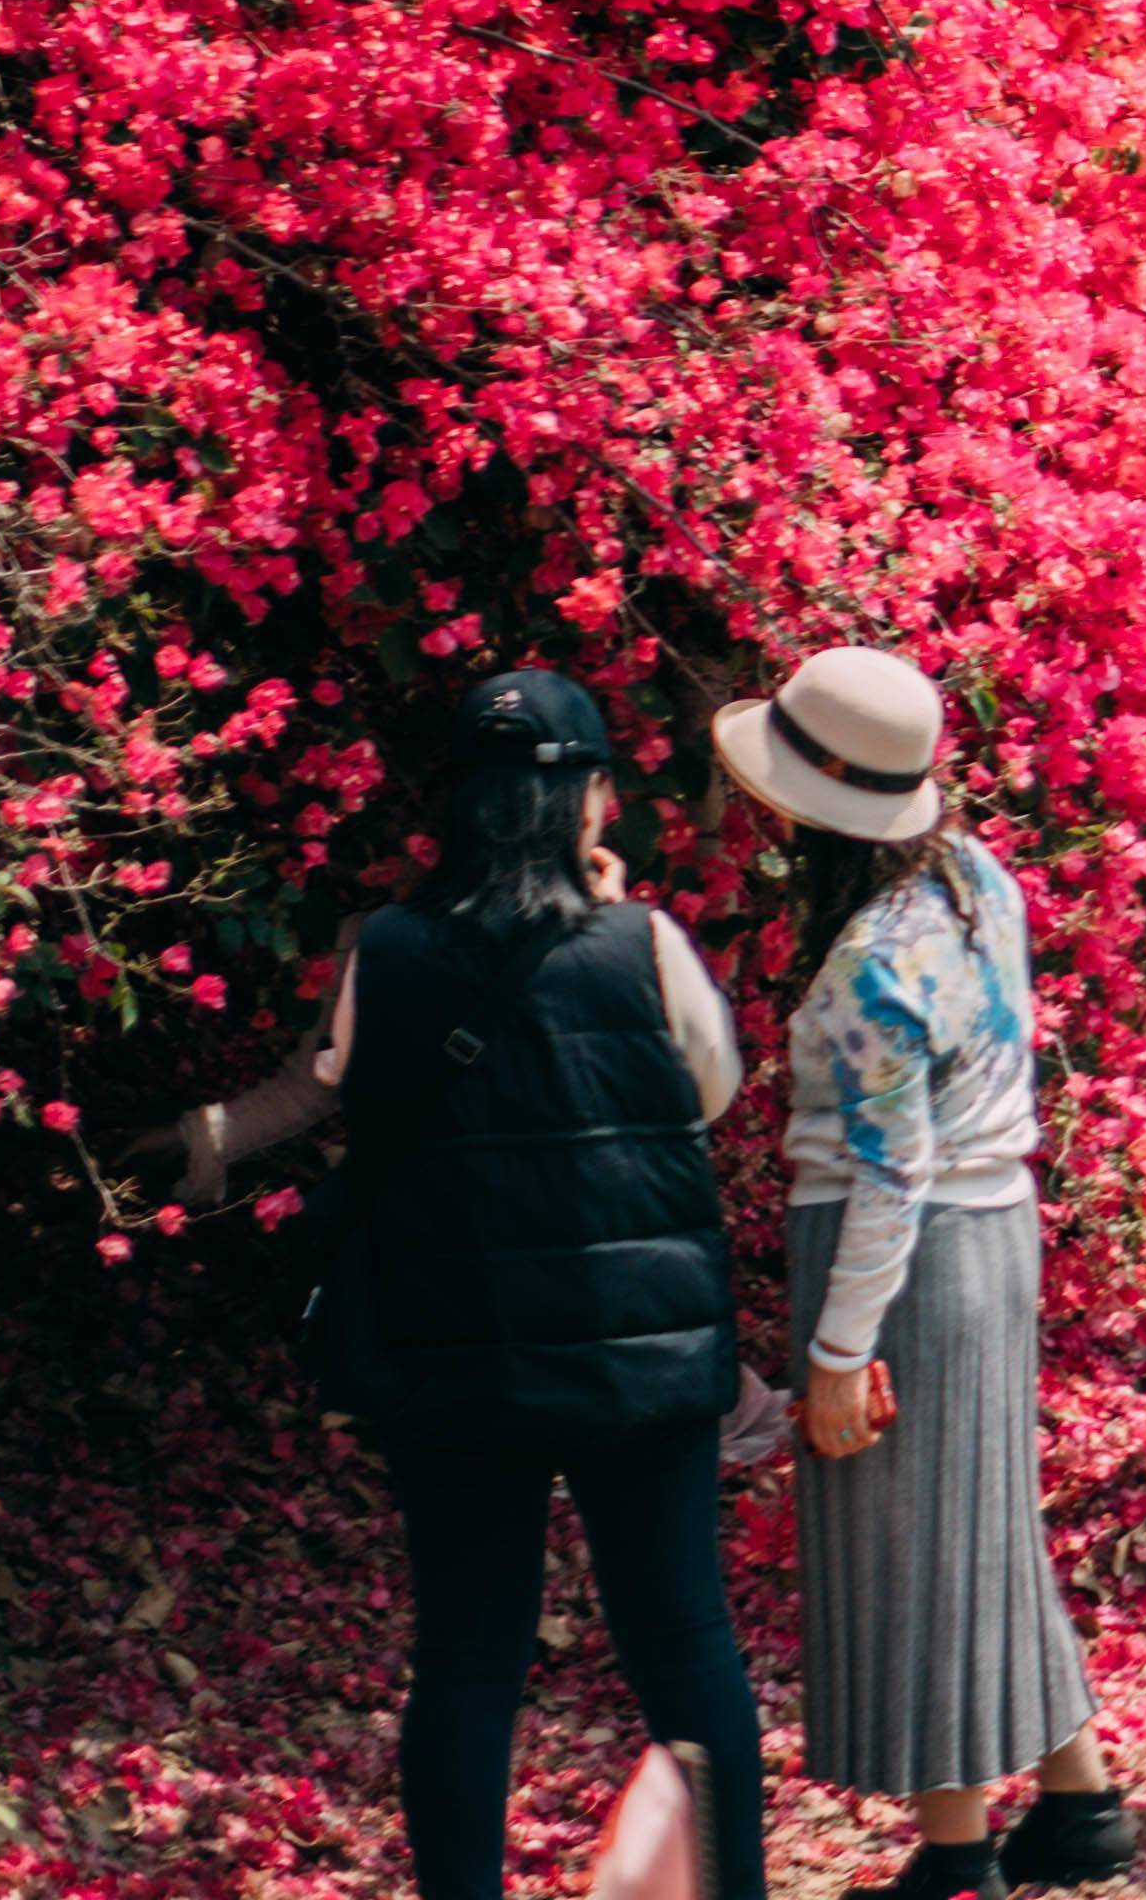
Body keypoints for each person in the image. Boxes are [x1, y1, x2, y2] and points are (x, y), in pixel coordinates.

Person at [321, 672, 766, 1900]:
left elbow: (356, 1096)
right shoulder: (646, 947)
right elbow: (710, 1094)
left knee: (467, 1660)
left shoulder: (389, 952)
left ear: (456, 810)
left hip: (455, 1361)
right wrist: (612, 927)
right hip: (640, 1361)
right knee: (684, 1648)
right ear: (588, 801)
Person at [713, 646, 1121, 1891]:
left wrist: (838, 1356)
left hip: (906, 1256)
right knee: (987, 1526)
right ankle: (1079, 1801)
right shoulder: (975, 877)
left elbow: (888, 1176)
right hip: (997, 1230)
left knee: (912, 1548)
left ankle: (955, 1855)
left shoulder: (871, 963)